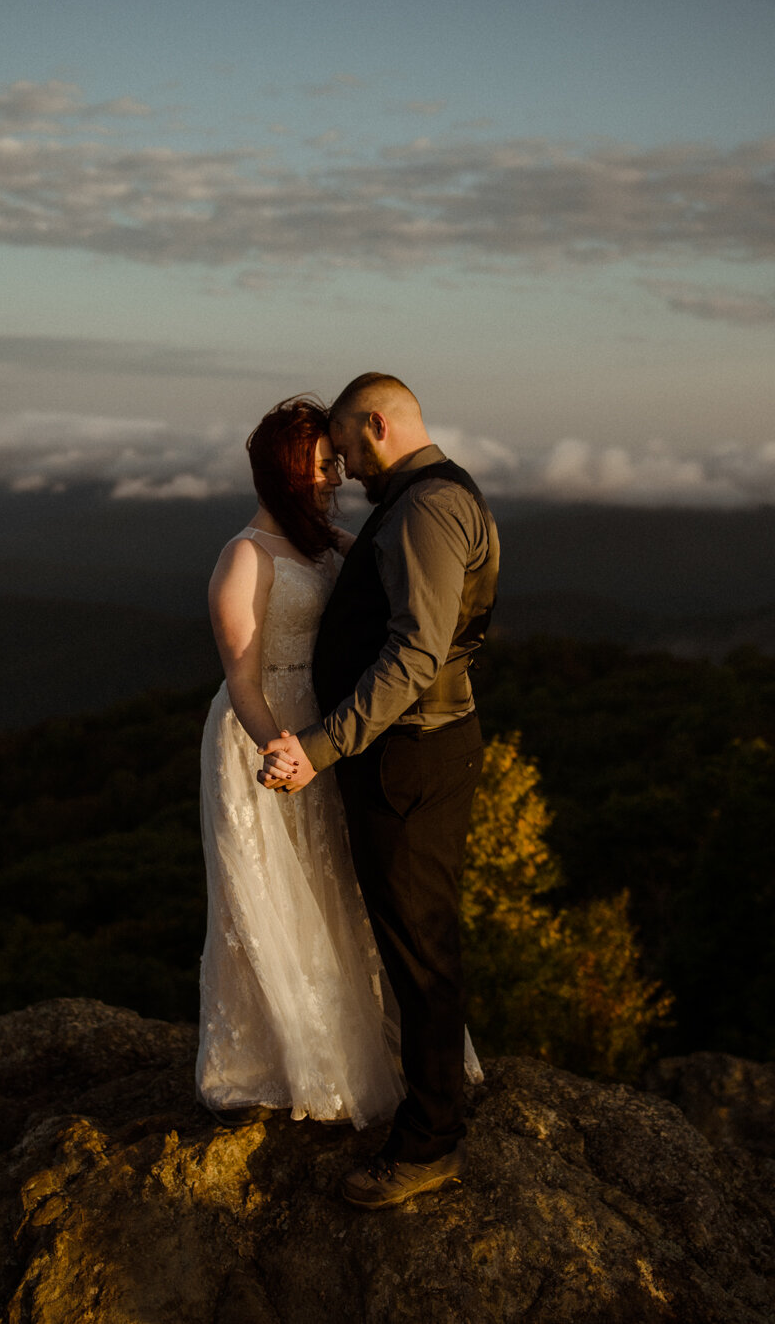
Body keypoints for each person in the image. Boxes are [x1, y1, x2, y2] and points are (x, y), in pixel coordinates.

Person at [258, 372, 501, 1210]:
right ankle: (433, 1106)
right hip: (418, 752)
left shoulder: (426, 507)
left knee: (421, 950)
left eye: (348, 447)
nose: (347, 467)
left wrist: (323, 746)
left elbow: (415, 655)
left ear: (377, 424)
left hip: (409, 756)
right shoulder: (439, 494)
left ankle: (430, 1143)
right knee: (415, 941)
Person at [197, 395, 462, 1131]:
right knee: (274, 892)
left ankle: (355, 1051)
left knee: (332, 887)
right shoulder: (243, 556)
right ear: (280, 474)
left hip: (323, 732)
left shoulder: (323, 544)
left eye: (332, 465)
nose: (329, 478)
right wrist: (278, 750)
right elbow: (242, 679)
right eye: (315, 468)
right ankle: (281, 1060)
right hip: (268, 735)